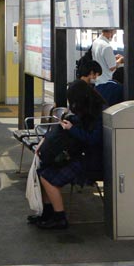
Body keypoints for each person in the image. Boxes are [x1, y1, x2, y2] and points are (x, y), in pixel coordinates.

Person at [29, 80, 106, 230]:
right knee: (43, 171)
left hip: (89, 161)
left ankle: (59, 217)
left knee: (47, 176)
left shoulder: (99, 114)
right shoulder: (88, 109)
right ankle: (48, 212)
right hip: (79, 155)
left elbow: (93, 140)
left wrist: (71, 129)